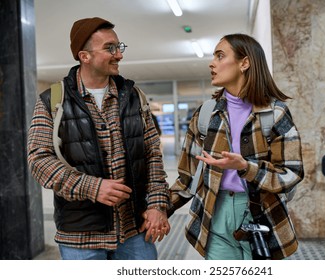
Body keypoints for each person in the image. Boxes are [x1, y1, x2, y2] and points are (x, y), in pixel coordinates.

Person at [27, 17, 170, 260]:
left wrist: (157, 205)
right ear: (85, 56)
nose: (119, 55)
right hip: (81, 237)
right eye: (110, 48)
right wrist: (92, 187)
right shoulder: (52, 101)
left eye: (119, 47)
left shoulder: (135, 97)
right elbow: (39, 161)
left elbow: (152, 155)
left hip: (134, 231)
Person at [169, 33, 304, 260]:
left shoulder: (275, 113)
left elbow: (291, 173)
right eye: (214, 57)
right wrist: (161, 210)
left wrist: (245, 167)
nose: (212, 63)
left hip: (262, 214)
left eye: (220, 56)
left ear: (244, 63)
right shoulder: (205, 114)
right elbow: (186, 177)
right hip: (215, 211)